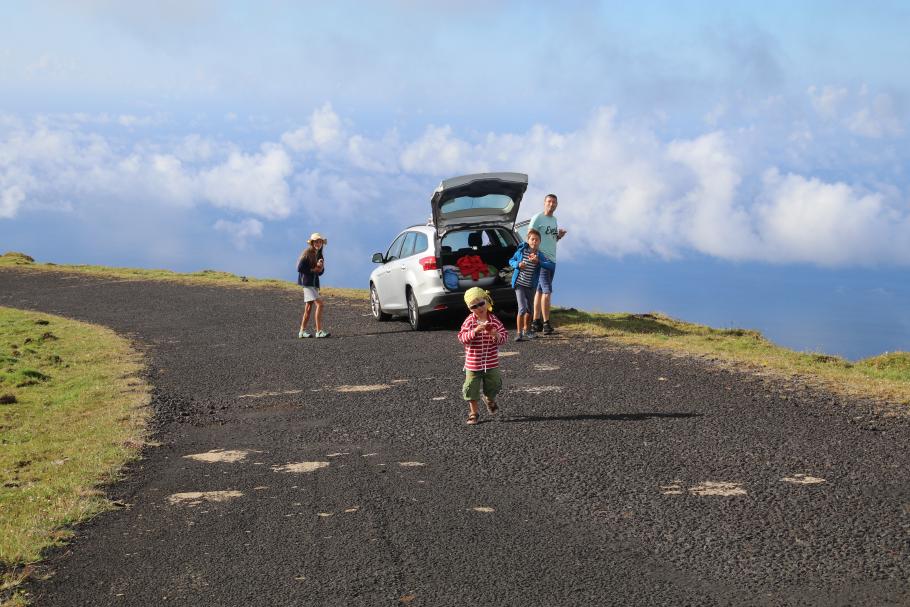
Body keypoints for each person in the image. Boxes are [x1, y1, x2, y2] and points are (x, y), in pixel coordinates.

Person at [457, 287, 508, 425]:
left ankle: (489, 399)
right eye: (474, 306)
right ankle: (473, 413)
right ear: (470, 309)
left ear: (487, 301)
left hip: (491, 362)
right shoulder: (469, 321)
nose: (479, 308)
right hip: (473, 363)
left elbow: (504, 337)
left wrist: (496, 335)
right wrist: (474, 332)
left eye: (481, 303)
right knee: (471, 388)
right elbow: (462, 338)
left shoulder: (494, 320)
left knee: (494, 384)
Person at [529, 193, 567, 335]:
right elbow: (530, 238)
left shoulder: (554, 220)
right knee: (547, 291)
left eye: (554, 202)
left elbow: (551, 240)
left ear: (556, 205)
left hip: (552, 259)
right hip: (542, 258)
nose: (551, 204)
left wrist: (559, 237)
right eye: (549, 201)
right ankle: (546, 324)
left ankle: (535, 322)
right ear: (544, 203)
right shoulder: (537, 218)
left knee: (539, 291)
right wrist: (534, 255)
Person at [508, 228, 555, 341]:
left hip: (531, 285)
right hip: (519, 284)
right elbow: (511, 260)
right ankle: (519, 333)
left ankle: (527, 330)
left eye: (537, 240)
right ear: (528, 240)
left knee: (530, 309)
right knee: (522, 308)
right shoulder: (521, 251)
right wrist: (518, 264)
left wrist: (538, 262)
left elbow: (551, 265)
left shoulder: (539, 255)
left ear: (539, 242)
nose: (534, 241)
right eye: (532, 239)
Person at [297, 233, 329, 338]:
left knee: (309, 307)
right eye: (316, 241)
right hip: (307, 283)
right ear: (312, 243)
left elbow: (319, 273)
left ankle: (302, 332)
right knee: (320, 304)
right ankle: (319, 331)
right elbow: (300, 268)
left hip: (313, 283)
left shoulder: (319, 255)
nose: (318, 244)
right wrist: (313, 269)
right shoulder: (307, 253)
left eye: (320, 242)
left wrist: (320, 267)